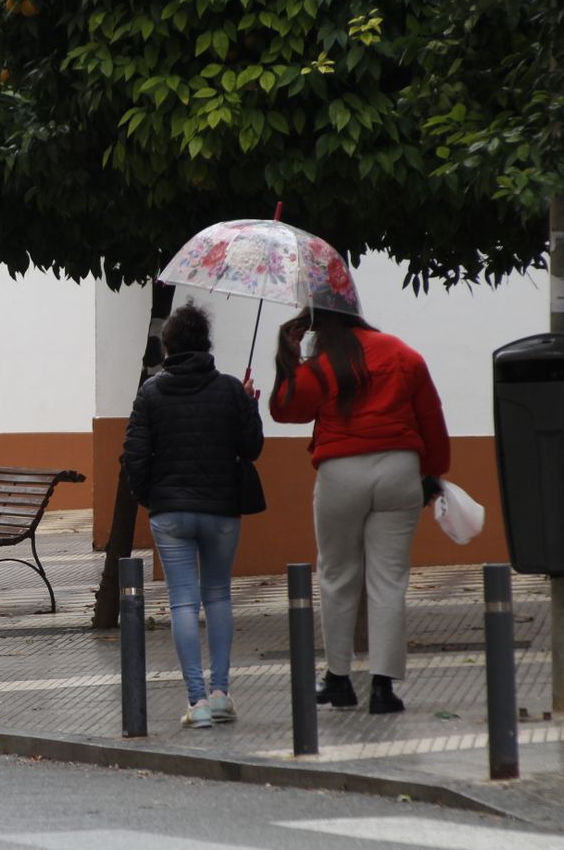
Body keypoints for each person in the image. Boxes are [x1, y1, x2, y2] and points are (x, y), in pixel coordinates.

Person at [268, 307, 450, 715]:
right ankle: (383, 689)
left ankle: (339, 679)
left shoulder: (322, 364)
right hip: (400, 470)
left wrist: (287, 356)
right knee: (389, 580)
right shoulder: (403, 354)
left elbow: (287, 410)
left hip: (341, 473)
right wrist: (433, 473)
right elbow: (431, 419)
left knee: (337, 575)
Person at [121, 301, 264, 729]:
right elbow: (251, 448)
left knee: (183, 602)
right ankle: (221, 694)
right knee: (218, 596)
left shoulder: (150, 392)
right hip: (221, 509)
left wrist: (151, 496)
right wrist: (248, 403)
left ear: (168, 347)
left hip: (170, 513)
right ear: (206, 343)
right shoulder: (229, 390)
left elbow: (134, 455)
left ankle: (197, 703)